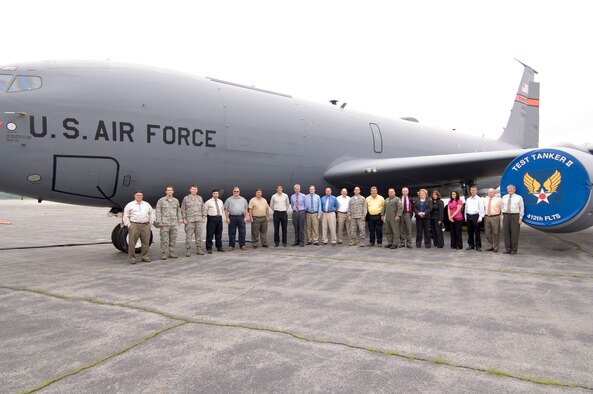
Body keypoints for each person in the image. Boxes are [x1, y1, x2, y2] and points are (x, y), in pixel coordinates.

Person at [123, 190, 155, 264]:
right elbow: (126, 215)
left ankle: (145, 257)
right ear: (134, 196)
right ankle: (132, 258)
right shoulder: (130, 205)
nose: (139, 196)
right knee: (132, 243)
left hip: (145, 225)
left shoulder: (146, 204)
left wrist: (150, 223)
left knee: (145, 243)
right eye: (137, 195)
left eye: (140, 195)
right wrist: (129, 225)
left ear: (142, 196)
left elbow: (151, 214)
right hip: (134, 225)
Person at [156, 185, 182, 260]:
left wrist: (179, 220)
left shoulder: (176, 200)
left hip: (173, 223)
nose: (169, 191)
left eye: (171, 190)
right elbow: (158, 211)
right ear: (166, 191)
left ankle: (171, 252)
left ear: (173, 191)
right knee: (164, 239)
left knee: (173, 238)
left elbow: (178, 211)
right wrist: (159, 221)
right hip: (164, 223)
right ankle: (164, 253)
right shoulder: (161, 201)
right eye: (168, 190)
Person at [181, 185, 206, 257]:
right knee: (189, 236)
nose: (194, 190)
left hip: (198, 220)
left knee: (199, 235)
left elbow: (203, 208)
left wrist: (203, 217)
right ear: (190, 190)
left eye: (195, 189)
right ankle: (188, 250)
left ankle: (199, 249)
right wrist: (183, 219)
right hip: (189, 220)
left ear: (197, 190)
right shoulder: (186, 198)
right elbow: (183, 209)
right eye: (193, 189)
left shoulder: (200, 198)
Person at [501, 184, 524, 255]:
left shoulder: (519, 197)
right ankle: (507, 249)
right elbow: (502, 207)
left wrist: (520, 218)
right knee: (506, 233)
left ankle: (514, 250)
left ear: (514, 190)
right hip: (506, 215)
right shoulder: (504, 197)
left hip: (515, 216)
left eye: (511, 189)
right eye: (509, 189)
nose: (510, 190)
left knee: (514, 233)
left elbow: (522, 208)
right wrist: (503, 217)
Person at [204, 189, 225, 254]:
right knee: (210, 234)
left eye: (217, 194)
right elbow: (205, 211)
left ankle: (219, 246)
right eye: (214, 194)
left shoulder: (220, 201)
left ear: (218, 194)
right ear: (212, 194)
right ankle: (209, 248)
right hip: (211, 219)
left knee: (219, 234)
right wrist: (204, 218)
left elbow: (222, 210)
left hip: (219, 218)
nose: (216, 195)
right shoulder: (208, 202)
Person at [464, 185, 485, 251]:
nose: (472, 191)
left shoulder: (479, 199)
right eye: (471, 190)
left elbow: (481, 209)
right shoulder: (468, 199)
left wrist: (480, 217)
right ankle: (471, 245)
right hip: (469, 216)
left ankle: (478, 246)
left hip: (476, 216)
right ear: (470, 191)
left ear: (476, 191)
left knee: (477, 232)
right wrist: (465, 217)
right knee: (469, 232)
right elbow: (466, 209)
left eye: (474, 190)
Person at [483, 188, 502, 252]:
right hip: (487, 217)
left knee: (496, 233)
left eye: (492, 192)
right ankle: (490, 246)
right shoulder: (485, 200)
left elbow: (502, 209)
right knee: (488, 233)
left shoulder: (499, 200)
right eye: (489, 192)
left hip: (495, 217)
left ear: (495, 193)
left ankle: (496, 247)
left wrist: (501, 218)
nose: (490, 193)